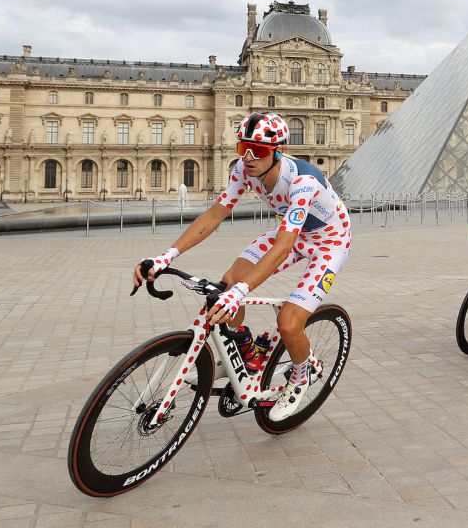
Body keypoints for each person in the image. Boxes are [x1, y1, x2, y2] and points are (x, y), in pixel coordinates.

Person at [133, 112, 350, 421]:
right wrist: (165, 257)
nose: (248, 157)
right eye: (242, 148)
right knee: (230, 279)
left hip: (329, 241)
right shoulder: (243, 170)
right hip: (292, 232)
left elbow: (284, 246)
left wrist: (240, 293)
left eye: (258, 151)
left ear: (277, 151)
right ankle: (247, 350)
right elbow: (214, 216)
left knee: (288, 323)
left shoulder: (302, 182)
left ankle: (302, 374)